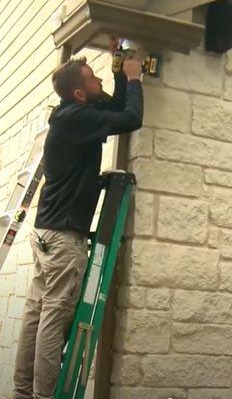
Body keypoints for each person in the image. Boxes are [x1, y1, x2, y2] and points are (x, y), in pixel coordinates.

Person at [12, 43, 143, 399]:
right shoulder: (79, 118)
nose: (99, 79)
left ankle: (23, 392)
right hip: (63, 239)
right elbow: (130, 117)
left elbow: (113, 108)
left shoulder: (71, 114)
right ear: (79, 93)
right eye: (93, 78)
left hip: (45, 233)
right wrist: (135, 80)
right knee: (54, 317)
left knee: (36, 313)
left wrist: (119, 71)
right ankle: (42, 396)